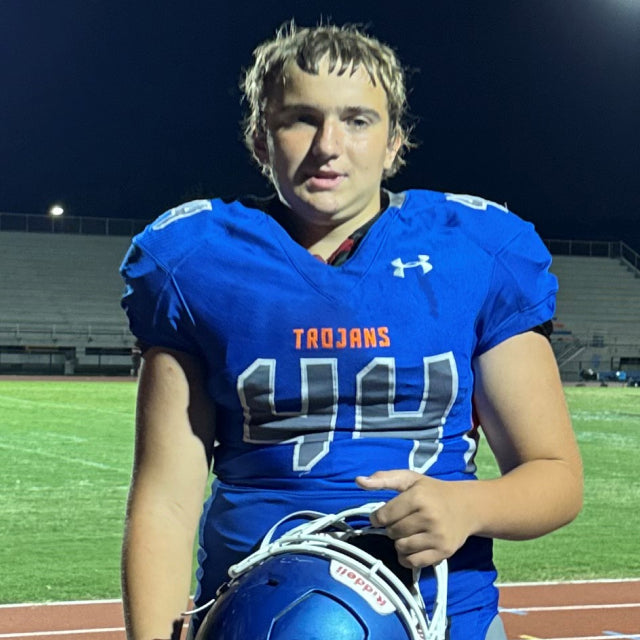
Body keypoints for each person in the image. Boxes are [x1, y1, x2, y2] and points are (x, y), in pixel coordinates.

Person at [119, 22, 583, 640]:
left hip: (444, 618)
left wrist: (469, 506)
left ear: (394, 143)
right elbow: (166, 503)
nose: (328, 146)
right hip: (253, 616)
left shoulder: (475, 251)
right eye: (300, 119)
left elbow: (555, 474)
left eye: (358, 120)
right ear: (260, 140)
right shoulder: (198, 261)